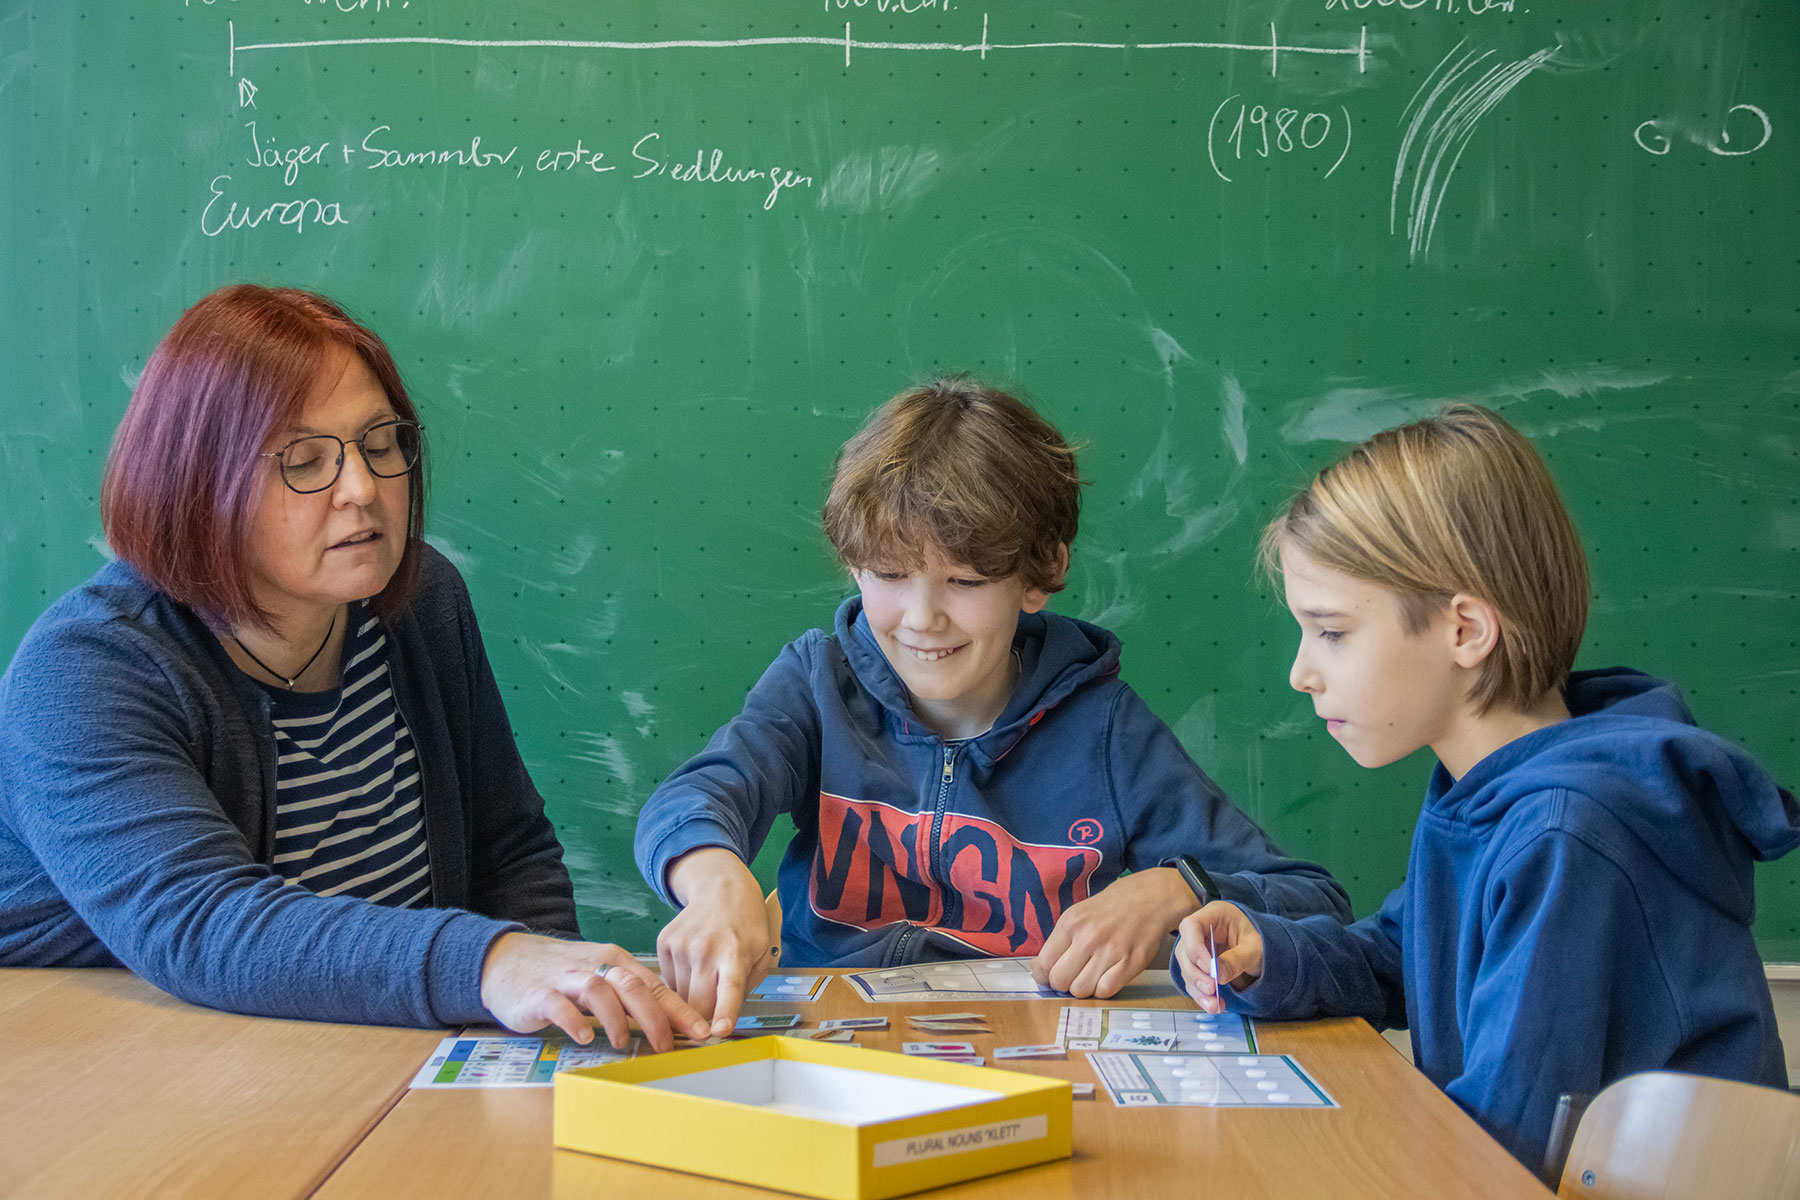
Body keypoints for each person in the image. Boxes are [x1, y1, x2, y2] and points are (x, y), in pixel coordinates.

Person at [0, 284, 706, 1050]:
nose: (363, 490)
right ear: (197, 483)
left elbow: (509, 849)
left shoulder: (421, 600)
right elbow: (202, 922)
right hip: (106, 1057)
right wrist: (491, 963)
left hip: (351, 1042)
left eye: (380, 444)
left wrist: (561, 1022)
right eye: (305, 461)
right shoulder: (86, 669)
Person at [1174, 404, 1798, 1173]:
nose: (1301, 672)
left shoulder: (1569, 830)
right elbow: (1405, 955)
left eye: (1332, 632)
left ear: (1465, 631)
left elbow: (1503, 1138)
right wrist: (1268, 954)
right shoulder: (1492, 788)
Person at [636, 376, 1351, 1037]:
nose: (922, 618)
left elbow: (1311, 897)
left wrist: (1174, 890)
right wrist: (716, 882)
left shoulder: (1104, 729)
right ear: (854, 563)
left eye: (966, 581)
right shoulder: (817, 684)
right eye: (889, 573)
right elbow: (695, 798)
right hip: (834, 1046)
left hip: (1030, 1050)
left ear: (1042, 572)